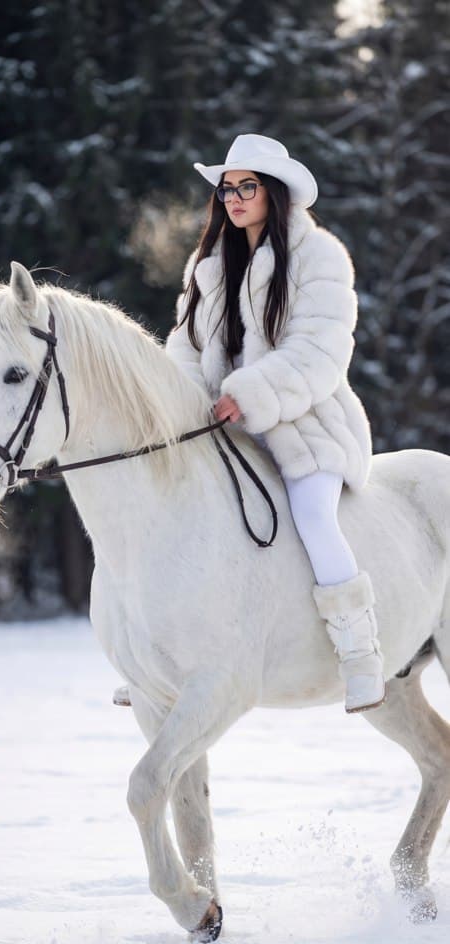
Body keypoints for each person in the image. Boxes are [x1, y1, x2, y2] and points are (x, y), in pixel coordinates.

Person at [165, 133, 386, 714]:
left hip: (309, 425)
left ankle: (360, 653)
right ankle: (162, 657)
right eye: (227, 188)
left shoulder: (321, 258)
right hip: (225, 429)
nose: (233, 198)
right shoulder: (208, 265)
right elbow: (185, 349)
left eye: (247, 186)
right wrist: (180, 403)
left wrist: (250, 393)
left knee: (313, 513)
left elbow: (321, 353)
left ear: (275, 193)